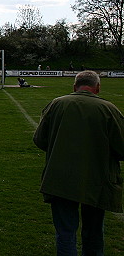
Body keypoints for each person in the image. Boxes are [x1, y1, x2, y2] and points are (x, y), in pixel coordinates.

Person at [33, 70, 124, 255]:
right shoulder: (109, 109)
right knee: (94, 232)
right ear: (97, 88)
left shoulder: (57, 104)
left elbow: (40, 139)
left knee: (65, 233)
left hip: (60, 179)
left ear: (75, 86)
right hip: (97, 180)